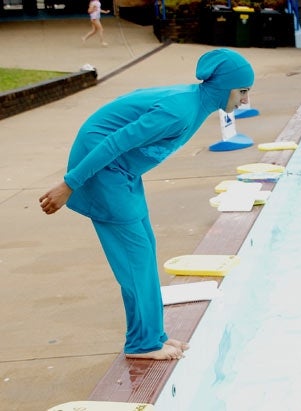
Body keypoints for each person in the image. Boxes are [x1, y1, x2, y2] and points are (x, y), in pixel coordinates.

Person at [39, 49, 255, 360]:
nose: (245, 100)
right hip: (103, 168)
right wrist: (69, 184)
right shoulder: (180, 111)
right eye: (242, 91)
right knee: (135, 257)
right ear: (224, 87)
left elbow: (134, 102)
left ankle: (152, 335)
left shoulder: (194, 102)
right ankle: (141, 344)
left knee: (144, 249)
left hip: (121, 171)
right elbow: (113, 142)